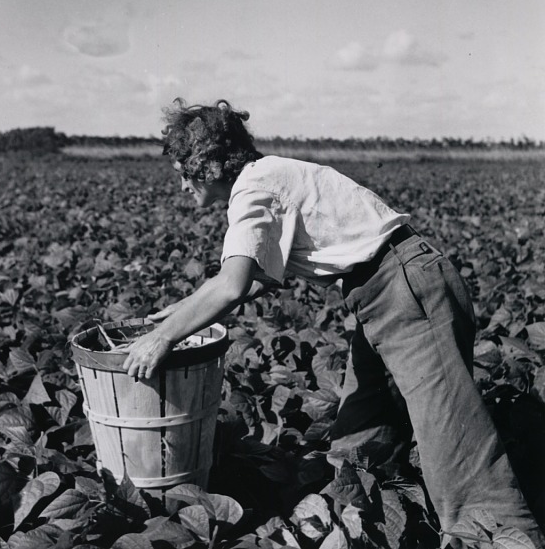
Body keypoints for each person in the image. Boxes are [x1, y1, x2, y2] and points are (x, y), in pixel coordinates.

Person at [122, 98, 544, 547]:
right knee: (362, 426)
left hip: (406, 291)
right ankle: (364, 515)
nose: (181, 183)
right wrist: (182, 309)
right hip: (387, 290)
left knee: (455, 443)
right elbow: (255, 279)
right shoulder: (268, 174)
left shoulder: (253, 188)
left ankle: (498, 536)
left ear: (205, 164)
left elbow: (232, 284)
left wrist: (162, 338)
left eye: (182, 169)